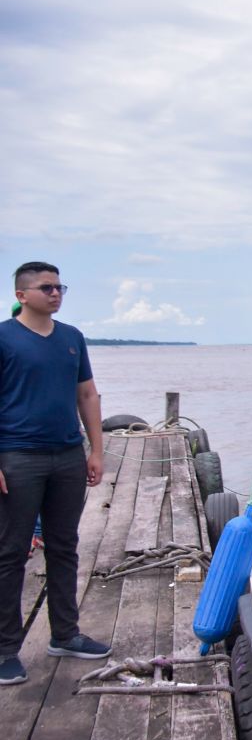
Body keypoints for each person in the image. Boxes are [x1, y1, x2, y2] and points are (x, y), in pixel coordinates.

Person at [0, 263, 111, 687]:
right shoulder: (5, 338)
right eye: (46, 287)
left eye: (60, 286)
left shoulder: (71, 339)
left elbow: (86, 393)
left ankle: (65, 634)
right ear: (22, 294)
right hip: (17, 456)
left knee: (65, 546)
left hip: (67, 454)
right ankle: (5, 649)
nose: (56, 293)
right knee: (10, 553)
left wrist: (96, 449)